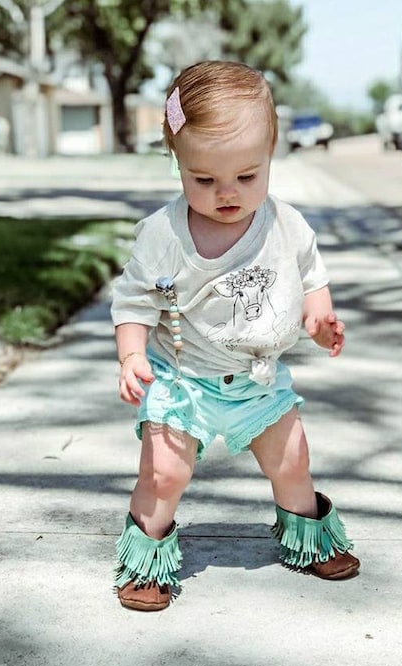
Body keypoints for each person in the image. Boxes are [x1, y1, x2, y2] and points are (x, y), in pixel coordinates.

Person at [111, 60, 360, 612]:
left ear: (271, 154)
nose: (227, 193)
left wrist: (320, 320)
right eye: (204, 180)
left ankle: (309, 539)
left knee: (293, 460)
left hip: (258, 381)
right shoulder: (163, 234)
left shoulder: (287, 226)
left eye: (247, 177)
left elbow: (312, 279)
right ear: (177, 160)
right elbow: (133, 301)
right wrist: (131, 354)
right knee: (163, 474)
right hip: (182, 381)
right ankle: (146, 560)